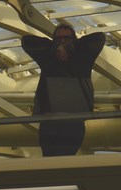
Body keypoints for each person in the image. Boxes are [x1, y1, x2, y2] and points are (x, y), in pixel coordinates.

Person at [21, 24, 105, 157]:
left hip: (72, 119)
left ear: (74, 40)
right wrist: (57, 48)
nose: (62, 41)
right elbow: (26, 41)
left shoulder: (82, 56)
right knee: (53, 158)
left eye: (66, 39)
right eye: (58, 39)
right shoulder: (49, 57)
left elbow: (99, 37)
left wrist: (69, 48)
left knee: (61, 158)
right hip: (51, 119)